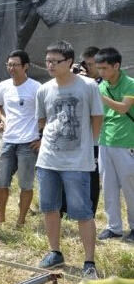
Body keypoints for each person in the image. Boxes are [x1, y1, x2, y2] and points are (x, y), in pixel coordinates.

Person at [35, 41, 103, 280]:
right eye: (48, 61)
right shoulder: (44, 89)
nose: (51, 65)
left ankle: (89, 262)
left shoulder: (88, 86)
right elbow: (42, 121)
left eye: (56, 61)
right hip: (47, 160)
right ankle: (55, 252)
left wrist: (89, 146)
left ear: (69, 63)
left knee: (83, 212)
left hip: (77, 161)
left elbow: (97, 117)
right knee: (50, 208)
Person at [0, 50, 41, 226]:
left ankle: (20, 220)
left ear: (26, 66)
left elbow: (47, 114)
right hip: (8, 141)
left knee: (25, 184)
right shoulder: (4, 86)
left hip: (28, 143)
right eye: (9, 65)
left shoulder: (36, 88)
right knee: (1, 182)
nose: (11, 68)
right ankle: (0, 216)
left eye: (15, 65)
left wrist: (42, 138)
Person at [94, 47, 134, 242]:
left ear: (116, 66)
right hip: (105, 141)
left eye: (104, 68)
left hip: (127, 141)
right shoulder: (101, 85)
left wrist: (99, 96)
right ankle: (114, 227)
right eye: (98, 68)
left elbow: (123, 108)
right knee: (108, 185)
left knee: (130, 185)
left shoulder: (130, 84)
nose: (100, 72)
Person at [60, 46, 103, 218]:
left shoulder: (102, 83)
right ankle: (64, 208)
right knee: (65, 172)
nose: (89, 68)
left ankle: (89, 212)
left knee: (91, 176)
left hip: (93, 138)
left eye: (92, 64)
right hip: (73, 135)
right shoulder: (74, 81)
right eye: (86, 64)